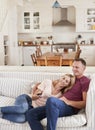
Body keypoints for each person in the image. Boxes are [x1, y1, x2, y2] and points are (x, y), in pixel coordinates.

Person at [26, 58, 91, 130]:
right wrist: (37, 85)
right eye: (73, 67)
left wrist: (68, 102)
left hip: (68, 108)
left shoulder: (85, 81)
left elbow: (84, 103)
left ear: (84, 68)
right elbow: (55, 83)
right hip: (56, 104)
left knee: (51, 100)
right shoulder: (71, 79)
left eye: (77, 67)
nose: (74, 69)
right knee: (30, 114)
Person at [0, 74, 75, 123]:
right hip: (28, 99)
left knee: (22, 119)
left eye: (66, 81)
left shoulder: (61, 95)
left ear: (68, 85)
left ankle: (1, 115)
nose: (63, 81)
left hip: (33, 109)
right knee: (22, 108)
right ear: (61, 77)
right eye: (63, 78)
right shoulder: (48, 82)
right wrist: (37, 94)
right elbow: (35, 95)